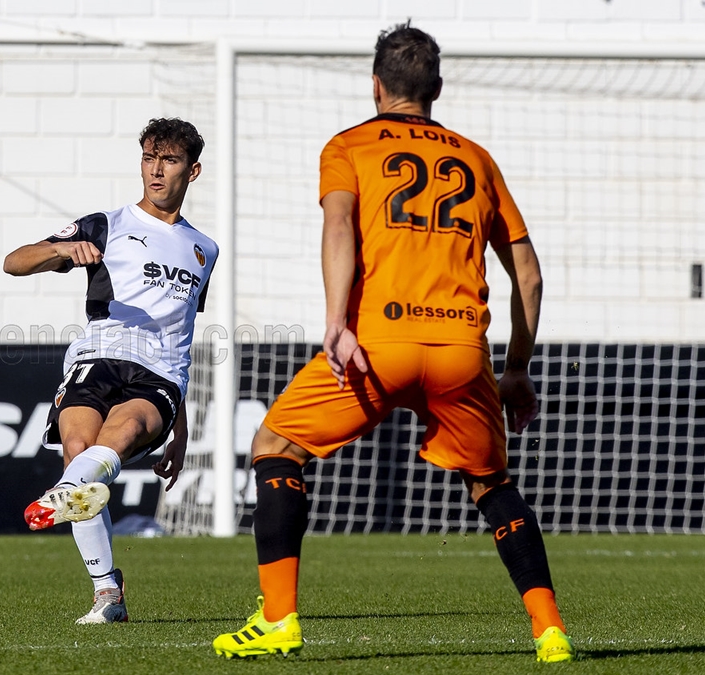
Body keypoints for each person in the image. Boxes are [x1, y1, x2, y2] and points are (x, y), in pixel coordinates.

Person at [211, 23, 574, 663]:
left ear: (375, 85)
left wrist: (335, 321)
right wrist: (516, 368)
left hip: (378, 345)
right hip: (463, 351)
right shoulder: (476, 158)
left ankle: (278, 620)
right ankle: (550, 631)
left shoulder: (349, 146)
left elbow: (341, 224)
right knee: (491, 483)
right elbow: (530, 275)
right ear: (436, 88)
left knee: (274, 446)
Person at [3, 118, 218, 624]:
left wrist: (180, 433)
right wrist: (60, 251)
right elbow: (13, 262)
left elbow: (183, 332)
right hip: (97, 355)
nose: (156, 171)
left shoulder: (203, 250)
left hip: (161, 371)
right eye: (149, 158)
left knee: (115, 440)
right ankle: (108, 591)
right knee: (79, 452)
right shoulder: (107, 224)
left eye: (169, 161)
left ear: (193, 170)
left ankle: (66, 502)